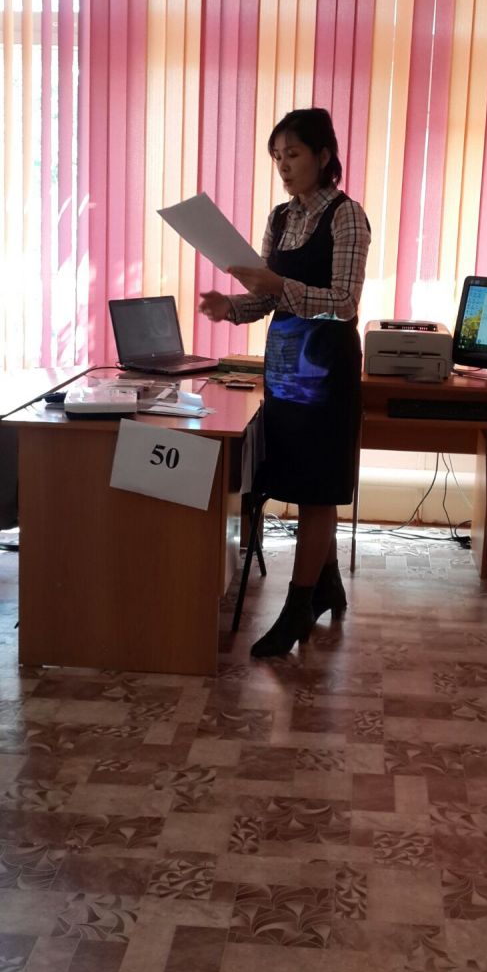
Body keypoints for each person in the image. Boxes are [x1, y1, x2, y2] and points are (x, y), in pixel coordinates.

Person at [199, 107, 370, 657]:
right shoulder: (280, 216)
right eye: (277, 157)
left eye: (293, 154)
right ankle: (326, 585)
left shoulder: (346, 216)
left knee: (318, 489)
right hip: (284, 367)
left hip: (326, 368)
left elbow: (343, 302)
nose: (284, 166)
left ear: (324, 156)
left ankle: (296, 608)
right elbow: (268, 297)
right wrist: (231, 306)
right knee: (296, 478)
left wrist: (277, 284)